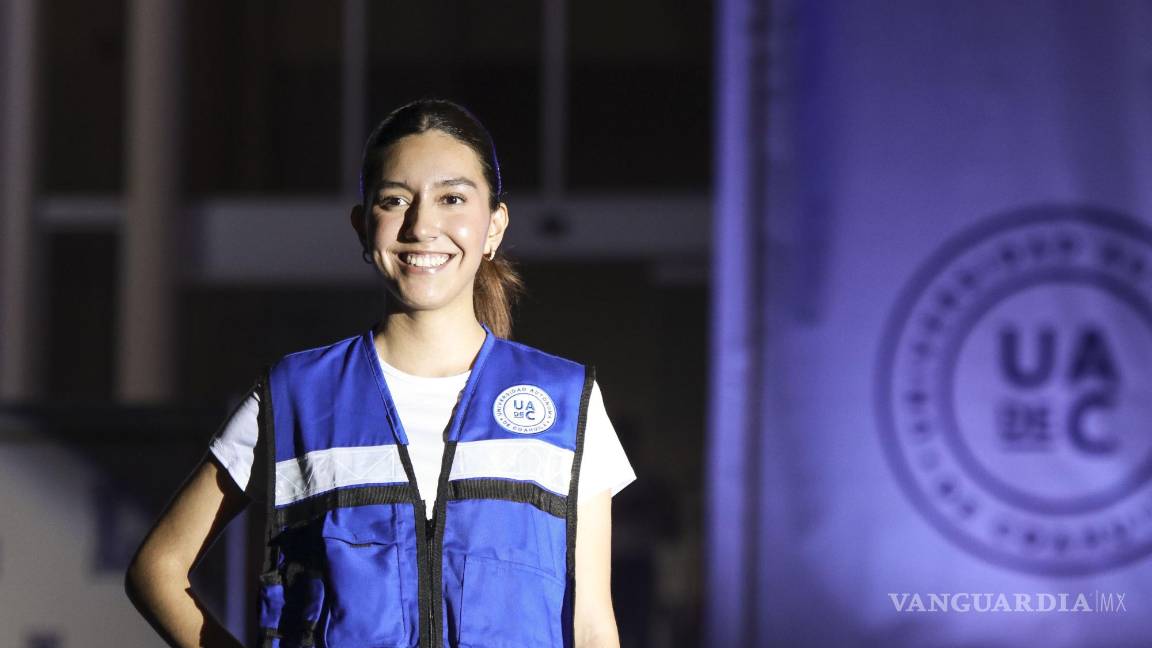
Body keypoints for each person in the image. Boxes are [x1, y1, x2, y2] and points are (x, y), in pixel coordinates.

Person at [125, 99, 636, 647]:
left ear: (494, 226)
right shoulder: (296, 394)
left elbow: (591, 623)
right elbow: (158, 568)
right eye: (395, 200)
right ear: (362, 226)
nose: (422, 225)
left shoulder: (565, 401)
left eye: (452, 198)